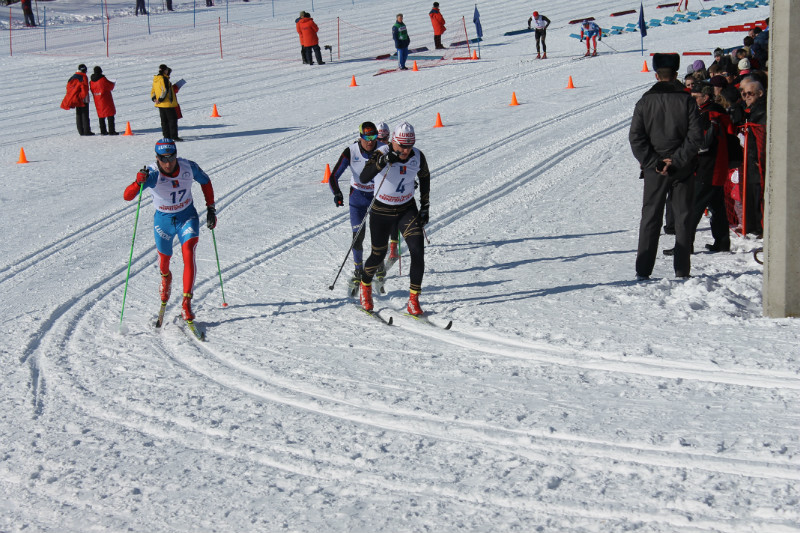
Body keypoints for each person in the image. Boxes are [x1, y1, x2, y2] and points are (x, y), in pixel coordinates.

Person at [122, 139, 216, 323]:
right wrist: (137, 182)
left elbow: (206, 181)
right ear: (156, 158)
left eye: (171, 158)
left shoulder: (189, 167)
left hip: (187, 216)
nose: (168, 163)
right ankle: (166, 278)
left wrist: (211, 208)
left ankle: (186, 303)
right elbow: (127, 196)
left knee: (188, 252)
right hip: (163, 221)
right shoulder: (152, 174)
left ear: (176, 155)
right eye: (163, 159)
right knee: (164, 261)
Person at [629, 53, 704, 279]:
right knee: (683, 218)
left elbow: (636, 138)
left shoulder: (644, 102)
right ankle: (681, 269)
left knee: (650, 218)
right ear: (676, 74)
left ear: (656, 75)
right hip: (682, 168)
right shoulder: (687, 101)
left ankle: (643, 270)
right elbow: (695, 137)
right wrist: (677, 160)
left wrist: (655, 162)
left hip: (655, 170)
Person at [357, 122, 431, 315]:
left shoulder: (417, 156)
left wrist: (425, 206)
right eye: (402, 146)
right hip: (381, 211)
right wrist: (382, 162)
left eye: (409, 146)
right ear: (393, 141)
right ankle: (365, 285)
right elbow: (364, 177)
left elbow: (425, 177)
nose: (405, 150)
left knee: (417, 250)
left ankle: (413, 300)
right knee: (378, 254)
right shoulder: (381, 153)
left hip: (406, 209)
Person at [328, 122, 387, 291]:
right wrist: (337, 193)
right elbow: (333, 176)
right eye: (367, 137)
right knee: (357, 236)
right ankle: (358, 269)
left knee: (378, 234)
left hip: (377, 196)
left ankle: (379, 264)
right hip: (358, 197)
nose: (370, 141)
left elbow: (400, 166)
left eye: (373, 137)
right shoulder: (351, 151)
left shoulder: (384, 149)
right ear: (360, 137)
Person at [686, 82, 732, 253]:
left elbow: (703, 144)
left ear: (705, 97)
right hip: (718, 166)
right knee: (717, 206)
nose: (692, 100)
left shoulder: (708, 114)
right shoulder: (717, 112)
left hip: (708, 167)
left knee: (693, 206)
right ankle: (722, 241)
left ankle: (684, 245)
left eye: (695, 97)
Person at [732, 76, 767, 236]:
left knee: (758, 193)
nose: (746, 97)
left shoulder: (761, 110)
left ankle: (759, 226)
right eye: (744, 93)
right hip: (750, 159)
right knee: (750, 192)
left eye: (750, 94)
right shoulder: (749, 110)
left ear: (760, 93)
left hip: (757, 159)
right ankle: (752, 225)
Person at [60, 64, 93, 136]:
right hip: (83, 99)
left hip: (75, 98)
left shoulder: (73, 77)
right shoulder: (83, 77)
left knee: (78, 114)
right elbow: (85, 89)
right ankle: (86, 131)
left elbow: (68, 89)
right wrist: (80, 97)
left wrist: (76, 97)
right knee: (85, 115)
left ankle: (80, 131)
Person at [151, 64, 181, 142]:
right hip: (167, 103)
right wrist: (161, 99)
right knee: (172, 120)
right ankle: (174, 136)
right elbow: (165, 90)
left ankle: (166, 136)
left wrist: (155, 99)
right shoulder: (164, 79)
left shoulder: (156, 79)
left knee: (164, 121)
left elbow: (153, 91)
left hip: (160, 104)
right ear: (165, 70)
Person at [89, 66, 118, 136]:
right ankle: (111, 131)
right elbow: (110, 86)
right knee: (110, 114)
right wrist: (113, 83)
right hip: (106, 99)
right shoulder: (102, 79)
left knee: (101, 115)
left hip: (97, 99)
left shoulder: (91, 81)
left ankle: (103, 131)